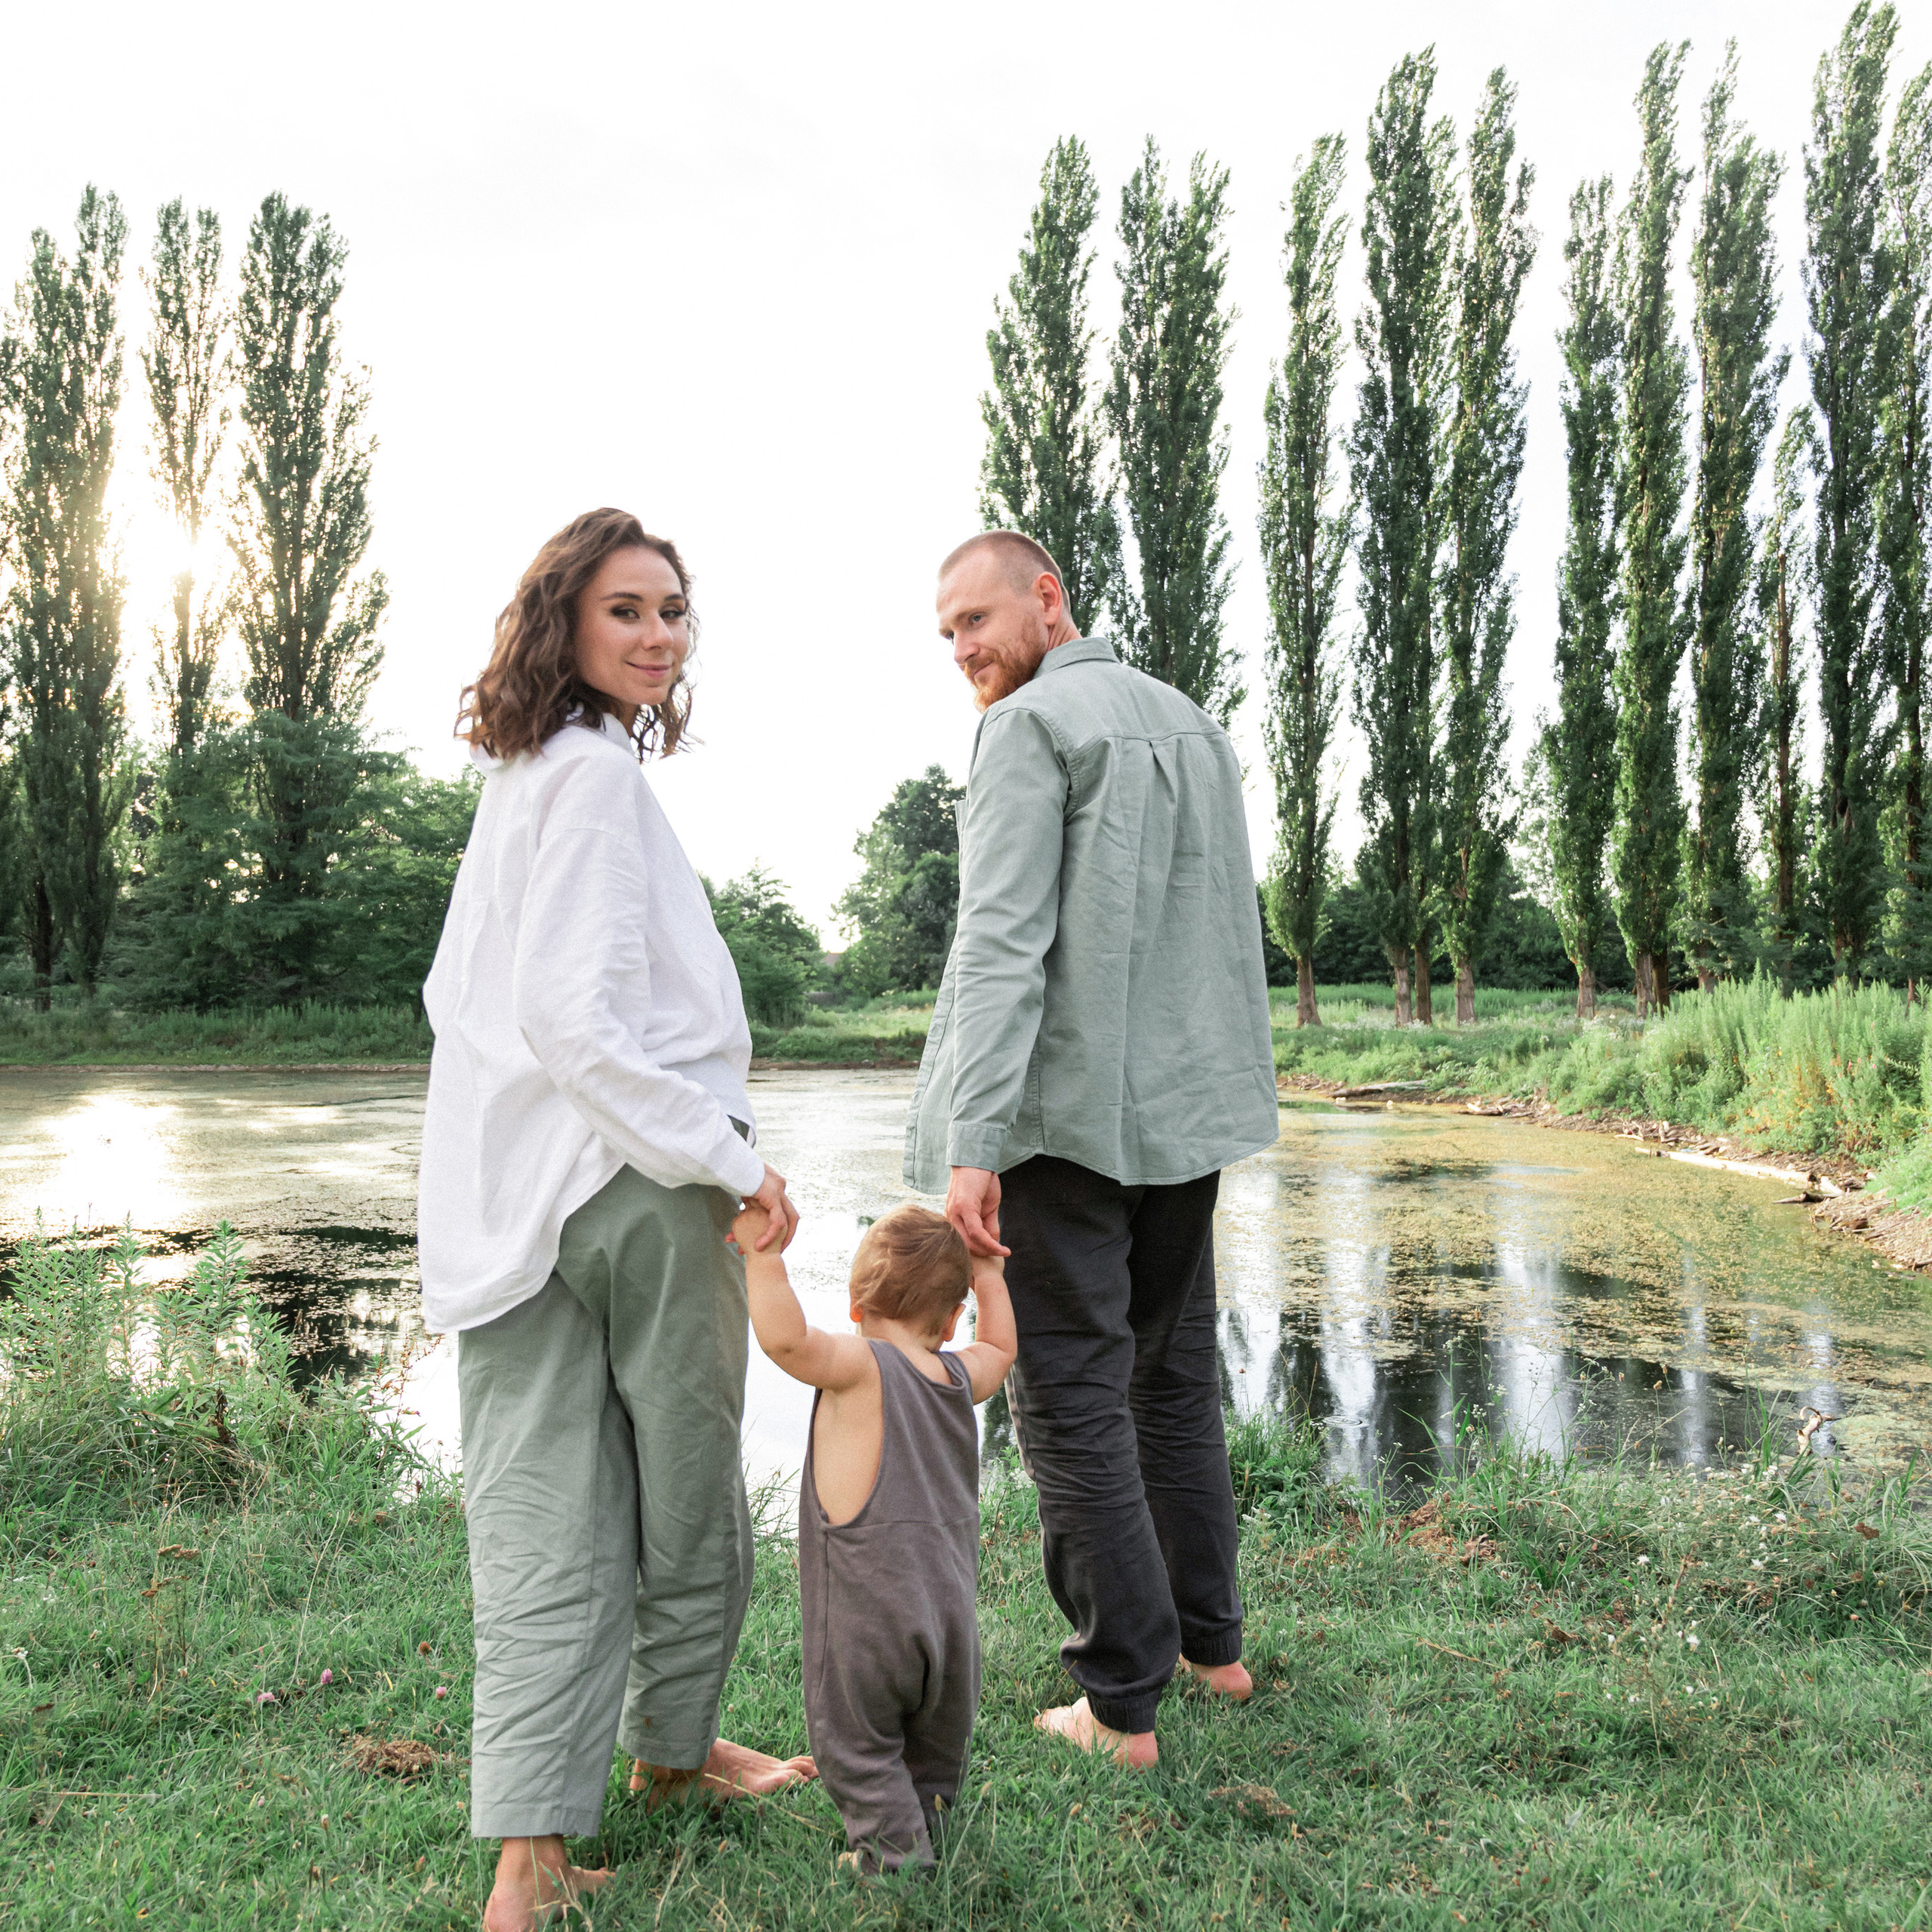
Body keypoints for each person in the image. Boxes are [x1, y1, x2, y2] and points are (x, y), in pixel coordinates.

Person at [417, 508, 815, 1932]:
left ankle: (529, 1857)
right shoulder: (590, 779)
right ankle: (670, 1750)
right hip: (639, 1185)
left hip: (510, 1200)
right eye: (626, 610)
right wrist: (723, 1158)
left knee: (539, 1518)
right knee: (688, 1483)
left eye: (672, 610)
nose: (658, 636)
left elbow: (469, 1008)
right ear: (564, 623)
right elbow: (572, 1020)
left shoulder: (525, 771)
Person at [904, 529, 1279, 1771]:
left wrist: (973, 1142)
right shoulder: (1191, 722)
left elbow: (1001, 945)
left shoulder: (1027, 728)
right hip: (1183, 1116)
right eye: (946, 633)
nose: (962, 650)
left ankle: (1120, 1703)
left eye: (976, 620)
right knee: (1169, 1381)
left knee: (1068, 1397)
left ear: (1048, 598)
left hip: (1059, 1124)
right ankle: (1212, 1650)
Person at [734, 1200, 1016, 1872]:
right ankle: (927, 1815)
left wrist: (763, 1258)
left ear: (856, 1306)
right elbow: (1002, 1350)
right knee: (934, 1745)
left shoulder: (859, 1365)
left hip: (868, 1621)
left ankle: (895, 1860)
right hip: (950, 1621)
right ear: (951, 1322)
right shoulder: (957, 1376)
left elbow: (786, 1342)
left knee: (855, 1746)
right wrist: (988, 1275)